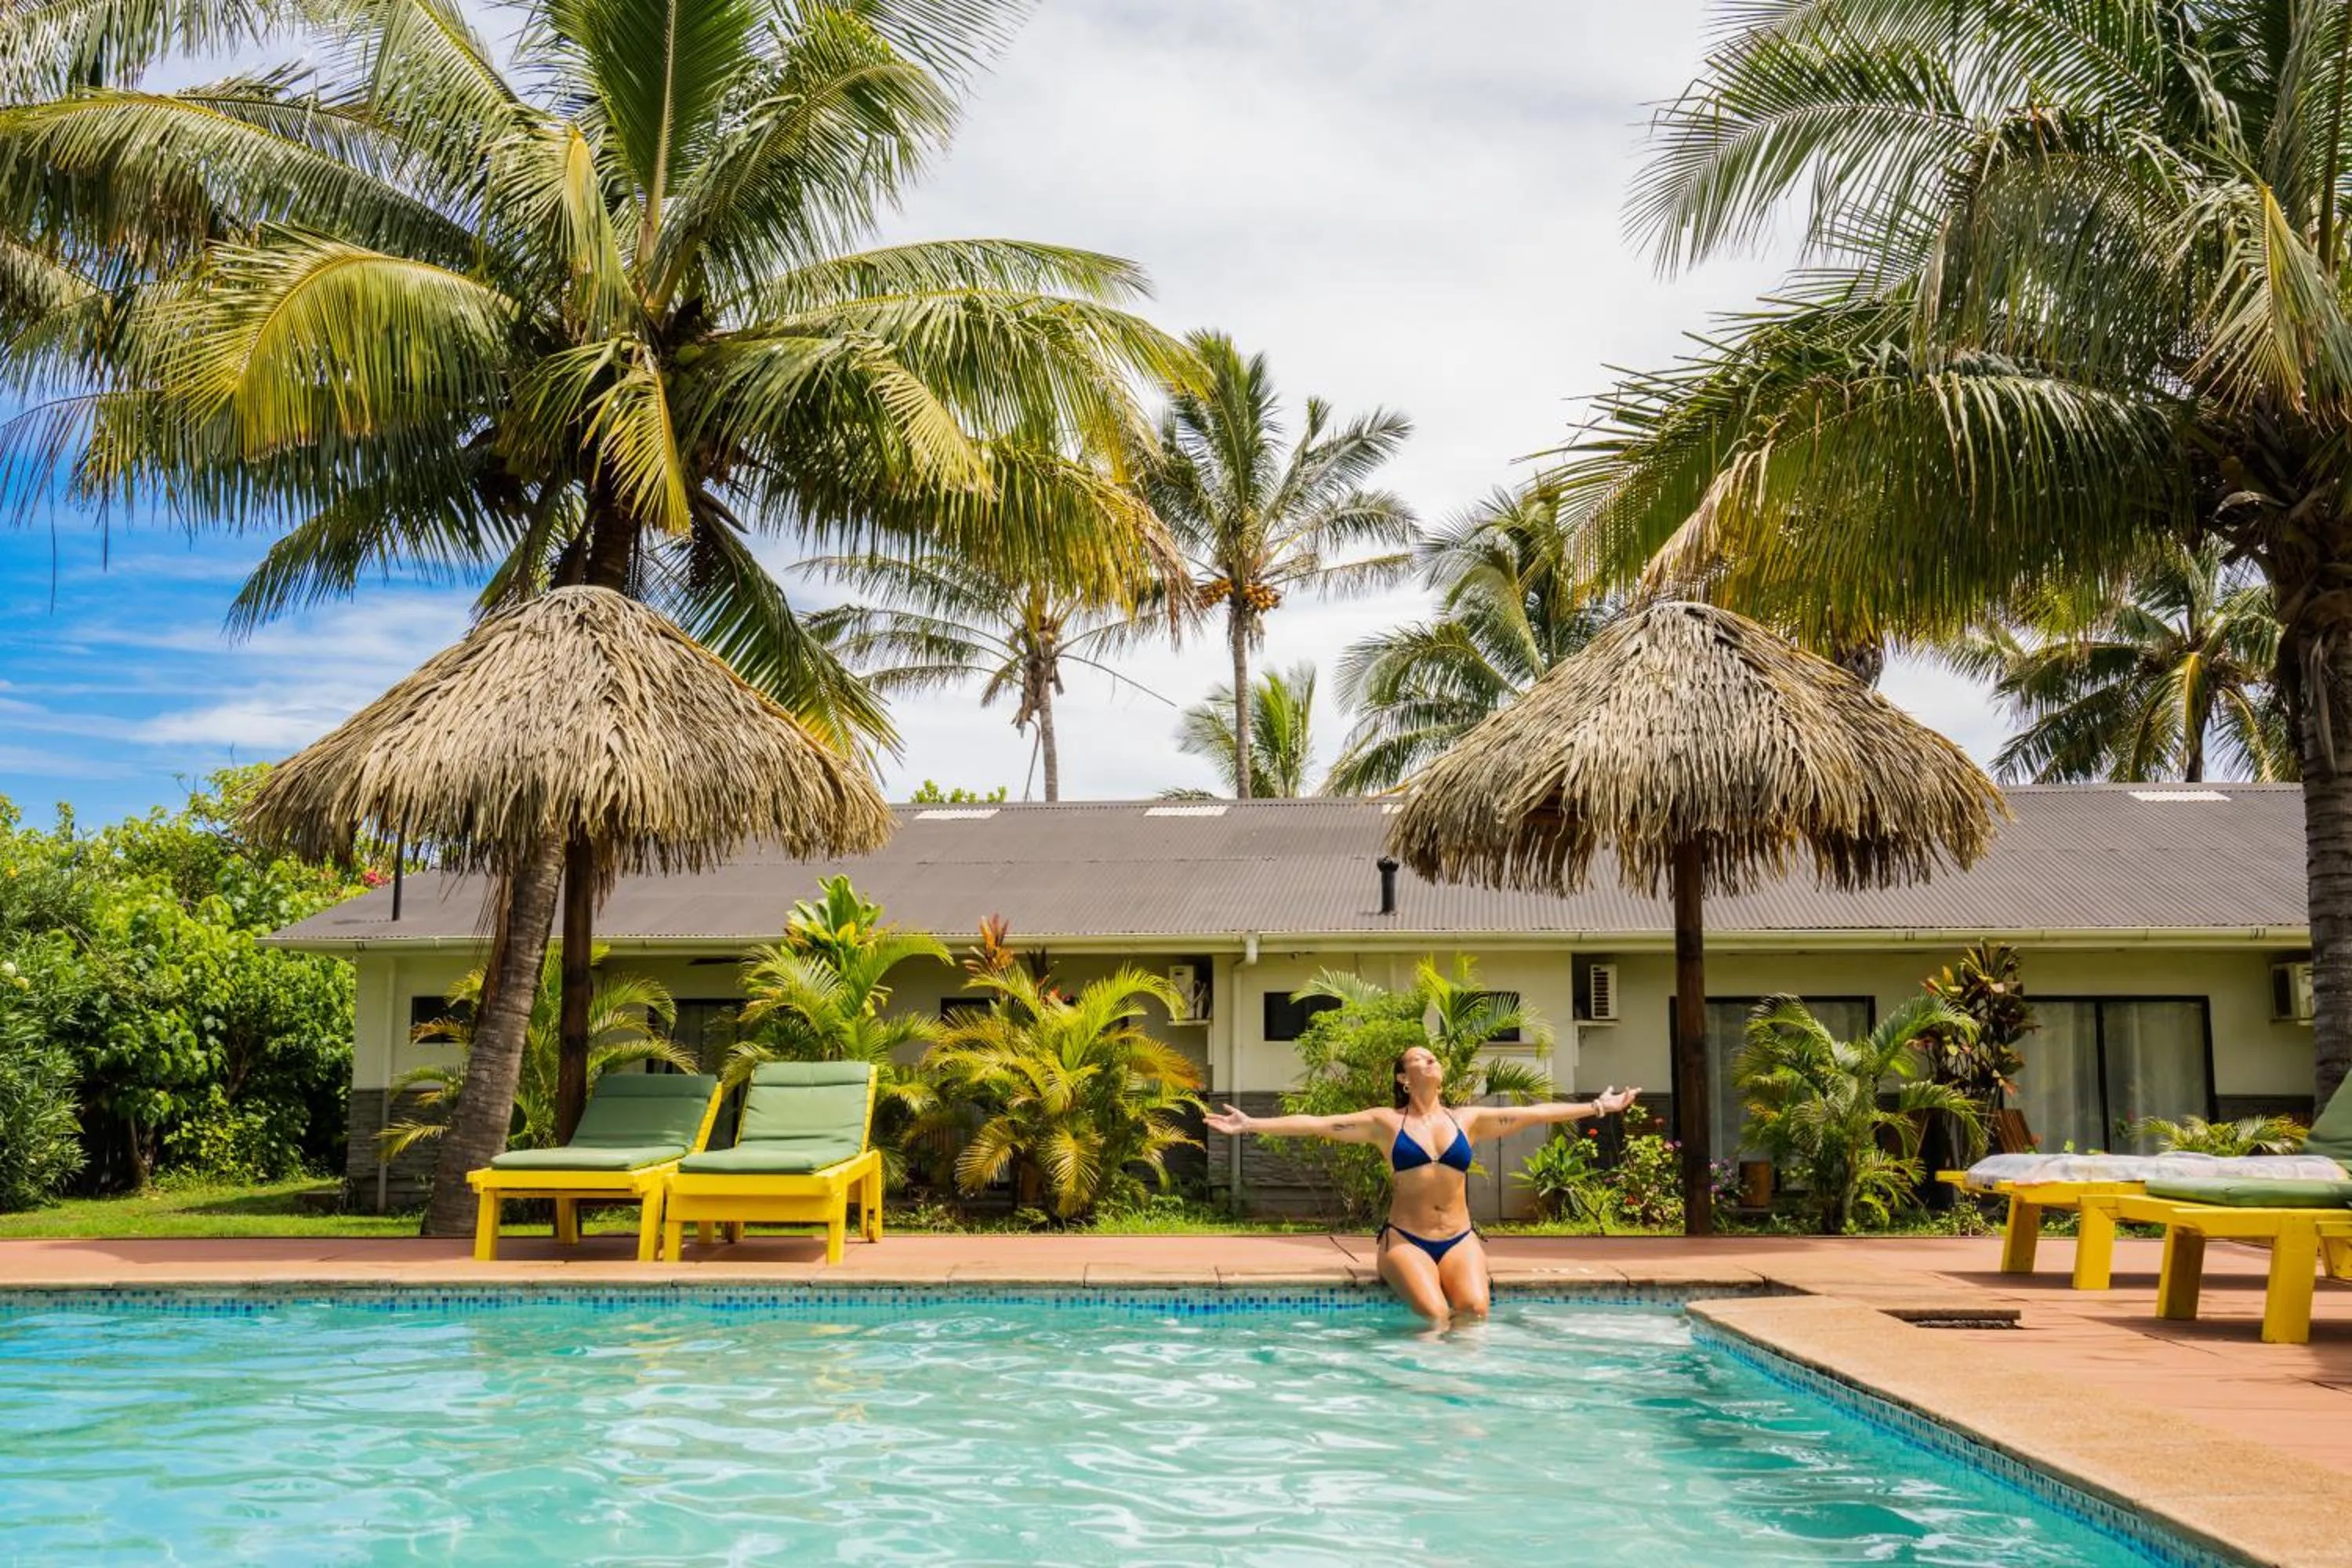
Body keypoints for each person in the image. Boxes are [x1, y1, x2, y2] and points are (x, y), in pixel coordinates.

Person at [1204, 1047, 1640, 1324]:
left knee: (1475, 1312)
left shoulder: (1467, 1120)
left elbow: (1536, 1114)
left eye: (1434, 1059)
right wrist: (1249, 1124)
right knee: (1434, 1316)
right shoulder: (1384, 1123)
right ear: (1403, 1077)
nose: (1431, 1062)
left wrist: (1599, 1107)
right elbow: (1321, 1124)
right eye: (1421, 1059)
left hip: (1460, 1239)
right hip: (1406, 1241)